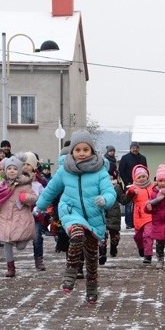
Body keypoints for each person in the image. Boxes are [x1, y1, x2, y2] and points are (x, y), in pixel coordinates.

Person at [35, 130, 115, 304]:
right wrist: (39, 206)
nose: (81, 153)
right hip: (71, 212)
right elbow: (51, 190)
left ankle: (92, 286)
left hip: (94, 217)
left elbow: (110, 192)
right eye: (78, 150)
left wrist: (105, 200)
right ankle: (71, 270)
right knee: (77, 235)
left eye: (85, 149)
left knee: (92, 257)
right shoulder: (65, 171)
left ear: (92, 151)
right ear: (72, 152)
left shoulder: (100, 171)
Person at [0, 156, 38, 277]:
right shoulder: (1, 185)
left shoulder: (25, 185)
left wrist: (25, 198)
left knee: (20, 246)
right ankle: (10, 267)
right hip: (4, 218)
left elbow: (34, 198)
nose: (11, 171)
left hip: (20, 218)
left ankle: (24, 240)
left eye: (14, 169)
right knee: (7, 243)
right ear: (5, 170)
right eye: (9, 168)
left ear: (19, 170)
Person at [122, 165, 155, 262]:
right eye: (139, 177)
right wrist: (131, 192)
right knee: (138, 237)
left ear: (147, 176)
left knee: (148, 235)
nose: (142, 179)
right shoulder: (133, 188)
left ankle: (148, 255)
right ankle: (141, 247)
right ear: (135, 178)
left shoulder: (153, 186)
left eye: (143, 176)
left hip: (150, 215)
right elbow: (127, 196)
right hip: (139, 216)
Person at [117, 142, 147, 229]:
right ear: (130, 148)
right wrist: (127, 182)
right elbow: (121, 171)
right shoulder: (125, 158)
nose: (135, 149)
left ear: (139, 148)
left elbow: (145, 170)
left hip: (141, 184)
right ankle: (129, 223)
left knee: (140, 203)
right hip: (129, 184)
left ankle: (138, 221)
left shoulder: (143, 158)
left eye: (136, 147)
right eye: (133, 147)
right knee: (129, 204)